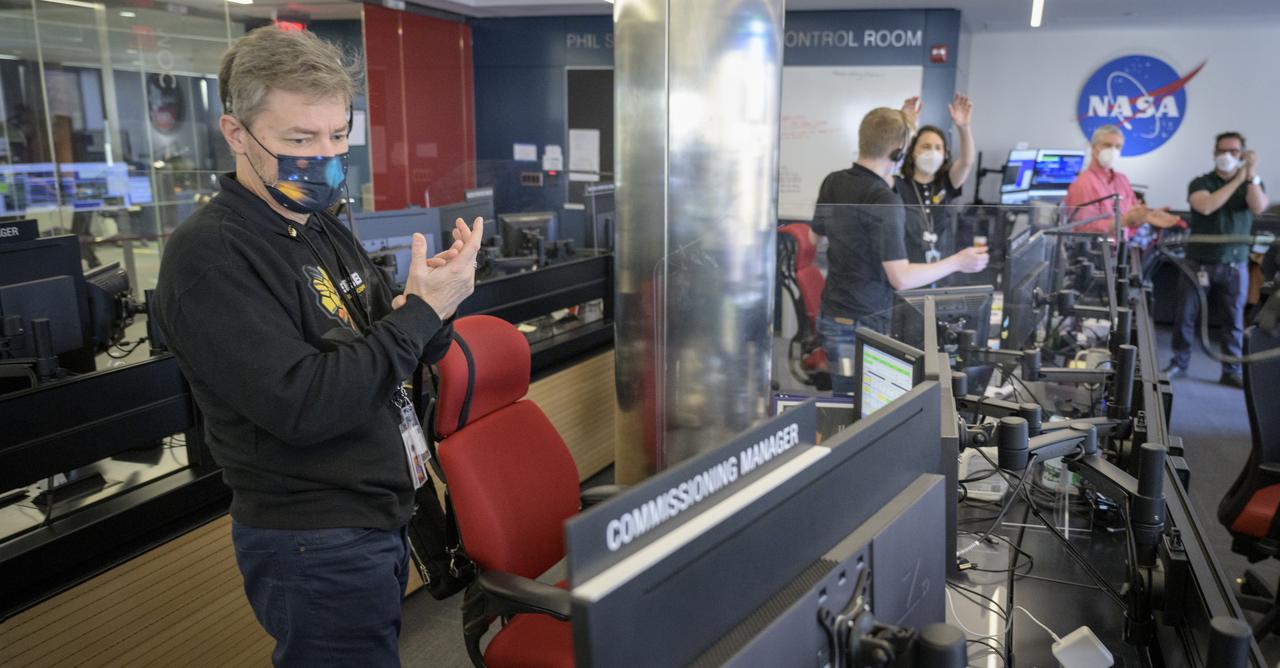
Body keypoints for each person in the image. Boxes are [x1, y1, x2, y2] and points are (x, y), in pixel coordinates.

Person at [152, 27, 483, 666]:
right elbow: (305, 403)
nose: (323, 158)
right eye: (299, 140)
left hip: (377, 509)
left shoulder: (316, 226)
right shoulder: (211, 256)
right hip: (312, 536)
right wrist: (419, 314)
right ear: (236, 133)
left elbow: (396, 341)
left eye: (337, 137)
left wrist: (434, 300)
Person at [810, 106, 989, 396]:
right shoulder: (886, 199)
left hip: (833, 315)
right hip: (865, 321)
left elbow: (815, 239)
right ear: (899, 151)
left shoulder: (833, 181)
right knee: (867, 406)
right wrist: (957, 261)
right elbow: (901, 278)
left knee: (846, 401)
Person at [1169, 131, 1269, 387]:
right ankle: (1178, 362)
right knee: (1186, 315)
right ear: (1214, 153)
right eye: (1222, 151)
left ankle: (1231, 369)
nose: (1227, 156)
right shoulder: (1201, 182)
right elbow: (1206, 206)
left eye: (1234, 151)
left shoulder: (1251, 183)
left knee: (1233, 321)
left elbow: (1259, 207)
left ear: (1242, 153)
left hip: (1235, 264)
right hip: (1197, 262)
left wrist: (1251, 174)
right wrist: (1238, 178)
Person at [895, 94, 977, 265]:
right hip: (908, 270)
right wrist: (904, 125)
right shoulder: (898, 185)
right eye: (926, 146)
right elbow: (889, 153)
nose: (932, 152)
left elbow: (967, 161)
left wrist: (964, 127)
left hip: (943, 270)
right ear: (912, 150)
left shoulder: (947, 182)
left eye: (938, 147)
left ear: (944, 154)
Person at [1064, 125, 1182, 235]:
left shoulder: (1121, 180)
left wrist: (1146, 217)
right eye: (1107, 145)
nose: (1113, 151)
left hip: (1122, 250)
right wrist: (1124, 221)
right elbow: (1082, 229)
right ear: (1094, 148)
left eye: (1118, 147)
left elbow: (1131, 219)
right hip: (1096, 253)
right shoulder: (1083, 183)